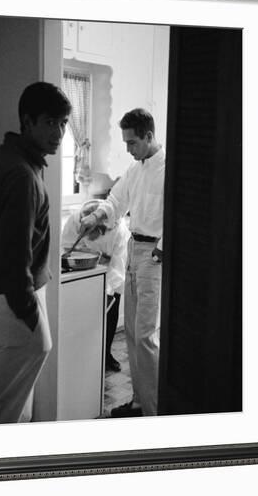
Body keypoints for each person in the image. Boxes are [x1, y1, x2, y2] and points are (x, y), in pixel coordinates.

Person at [0, 81, 72, 424]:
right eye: (50, 122)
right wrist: (32, 316)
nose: (59, 132)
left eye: (63, 123)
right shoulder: (22, 175)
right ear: (27, 121)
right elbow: (14, 257)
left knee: (10, 408)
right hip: (13, 304)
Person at [80, 108, 165, 417]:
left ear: (149, 136)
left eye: (132, 143)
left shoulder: (169, 167)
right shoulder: (136, 169)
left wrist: (161, 250)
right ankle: (139, 402)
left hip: (155, 255)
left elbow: (179, 214)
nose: (128, 149)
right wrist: (96, 216)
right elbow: (116, 201)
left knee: (146, 337)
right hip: (134, 249)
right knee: (130, 333)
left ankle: (154, 413)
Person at [61, 199, 130, 372]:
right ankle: (84, 355)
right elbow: (66, 247)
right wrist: (93, 255)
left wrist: (109, 291)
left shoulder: (118, 230)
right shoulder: (76, 220)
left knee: (110, 314)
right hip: (83, 272)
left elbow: (118, 264)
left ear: (102, 228)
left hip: (112, 272)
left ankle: (106, 354)